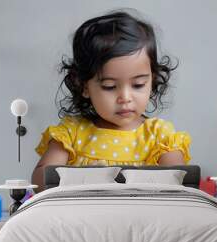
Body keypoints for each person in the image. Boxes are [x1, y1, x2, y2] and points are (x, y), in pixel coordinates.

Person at [32, 10, 191, 193]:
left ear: (152, 80)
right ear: (83, 85)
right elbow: (40, 182)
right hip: (83, 219)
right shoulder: (71, 134)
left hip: (142, 220)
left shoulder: (160, 136)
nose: (125, 97)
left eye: (138, 84)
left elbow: (179, 185)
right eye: (109, 86)